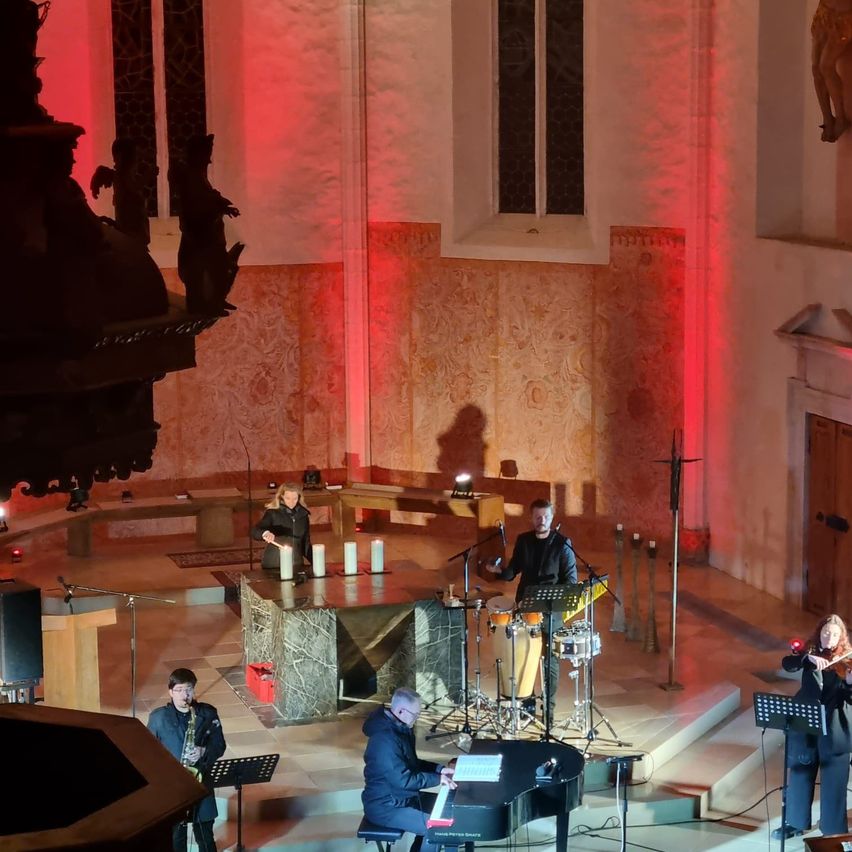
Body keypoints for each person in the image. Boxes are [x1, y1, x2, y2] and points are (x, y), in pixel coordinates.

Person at [485, 499, 577, 721]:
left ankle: (549, 710)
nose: (541, 520)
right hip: (525, 608)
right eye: (537, 516)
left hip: (551, 611)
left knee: (549, 661)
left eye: (545, 516)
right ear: (531, 517)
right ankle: (526, 704)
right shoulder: (524, 541)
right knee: (523, 656)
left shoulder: (562, 544)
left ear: (552, 517)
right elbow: (513, 571)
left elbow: (571, 580)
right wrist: (498, 570)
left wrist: (554, 596)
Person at [772, 614, 852, 840]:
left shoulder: (847, 661)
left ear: (841, 637)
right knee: (799, 774)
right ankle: (795, 823)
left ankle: (833, 828)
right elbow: (788, 663)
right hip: (806, 724)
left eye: (835, 634)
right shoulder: (810, 654)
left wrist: (849, 685)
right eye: (826, 632)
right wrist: (808, 659)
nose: (830, 637)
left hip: (836, 727)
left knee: (835, 781)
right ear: (819, 633)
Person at [362, 687, 456, 852]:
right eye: (415, 715)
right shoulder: (384, 740)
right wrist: (437, 779)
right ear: (400, 711)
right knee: (438, 828)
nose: (417, 719)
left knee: (449, 812)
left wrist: (439, 770)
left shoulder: (400, 728)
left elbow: (412, 763)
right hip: (386, 806)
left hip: (403, 797)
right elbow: (403, 780)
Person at [147, 668, 227, 852]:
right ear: (170, 692)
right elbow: (148, 751)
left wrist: (203, 751)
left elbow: (220, 745)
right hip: (173, 786)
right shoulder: (159, 718)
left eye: (189, 689)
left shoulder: (208, 714)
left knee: (205, 835)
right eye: (180, 690)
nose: (185, 695)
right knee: (176, 836)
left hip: (201, 782)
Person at [811, 0, 852, 142]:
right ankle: (827, 118)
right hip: (825, 11)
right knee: (816, 68)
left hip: (844, 16)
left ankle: (841, 118)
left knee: (825, 66)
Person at [251, 482, 313, 571]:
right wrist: (265, 533)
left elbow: (305, 544)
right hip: (274, 563)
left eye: (294, 498)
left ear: (299, 497)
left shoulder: (303, 516)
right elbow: (255, 531)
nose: (291, 502)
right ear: (281, 497)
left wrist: (316, 563)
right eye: (288, 498)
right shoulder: (273, 513)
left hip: (295, 562)